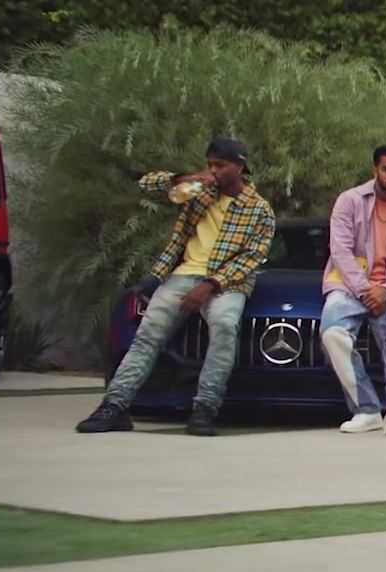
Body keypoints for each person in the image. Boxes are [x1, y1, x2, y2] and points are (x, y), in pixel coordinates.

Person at [75, 138, 277, 437]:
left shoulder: (260, 209)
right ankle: (114, 406)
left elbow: (251, 258)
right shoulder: (199, 192)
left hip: (227, 282)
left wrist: (210, 285)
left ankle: (204, 409)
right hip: (183, 274)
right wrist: (188, 178)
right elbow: (147, 184)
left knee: (224, 327)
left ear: (240, 166)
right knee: (148, 333)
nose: (214, 170)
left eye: (220, 165)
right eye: (210, 164)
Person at [321, 143, 386, 442]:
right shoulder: (349, 201)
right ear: (375, 170)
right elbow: (340, 251)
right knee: (332, 334)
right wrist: (366, 290)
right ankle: (366, 409)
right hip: (349, 286)